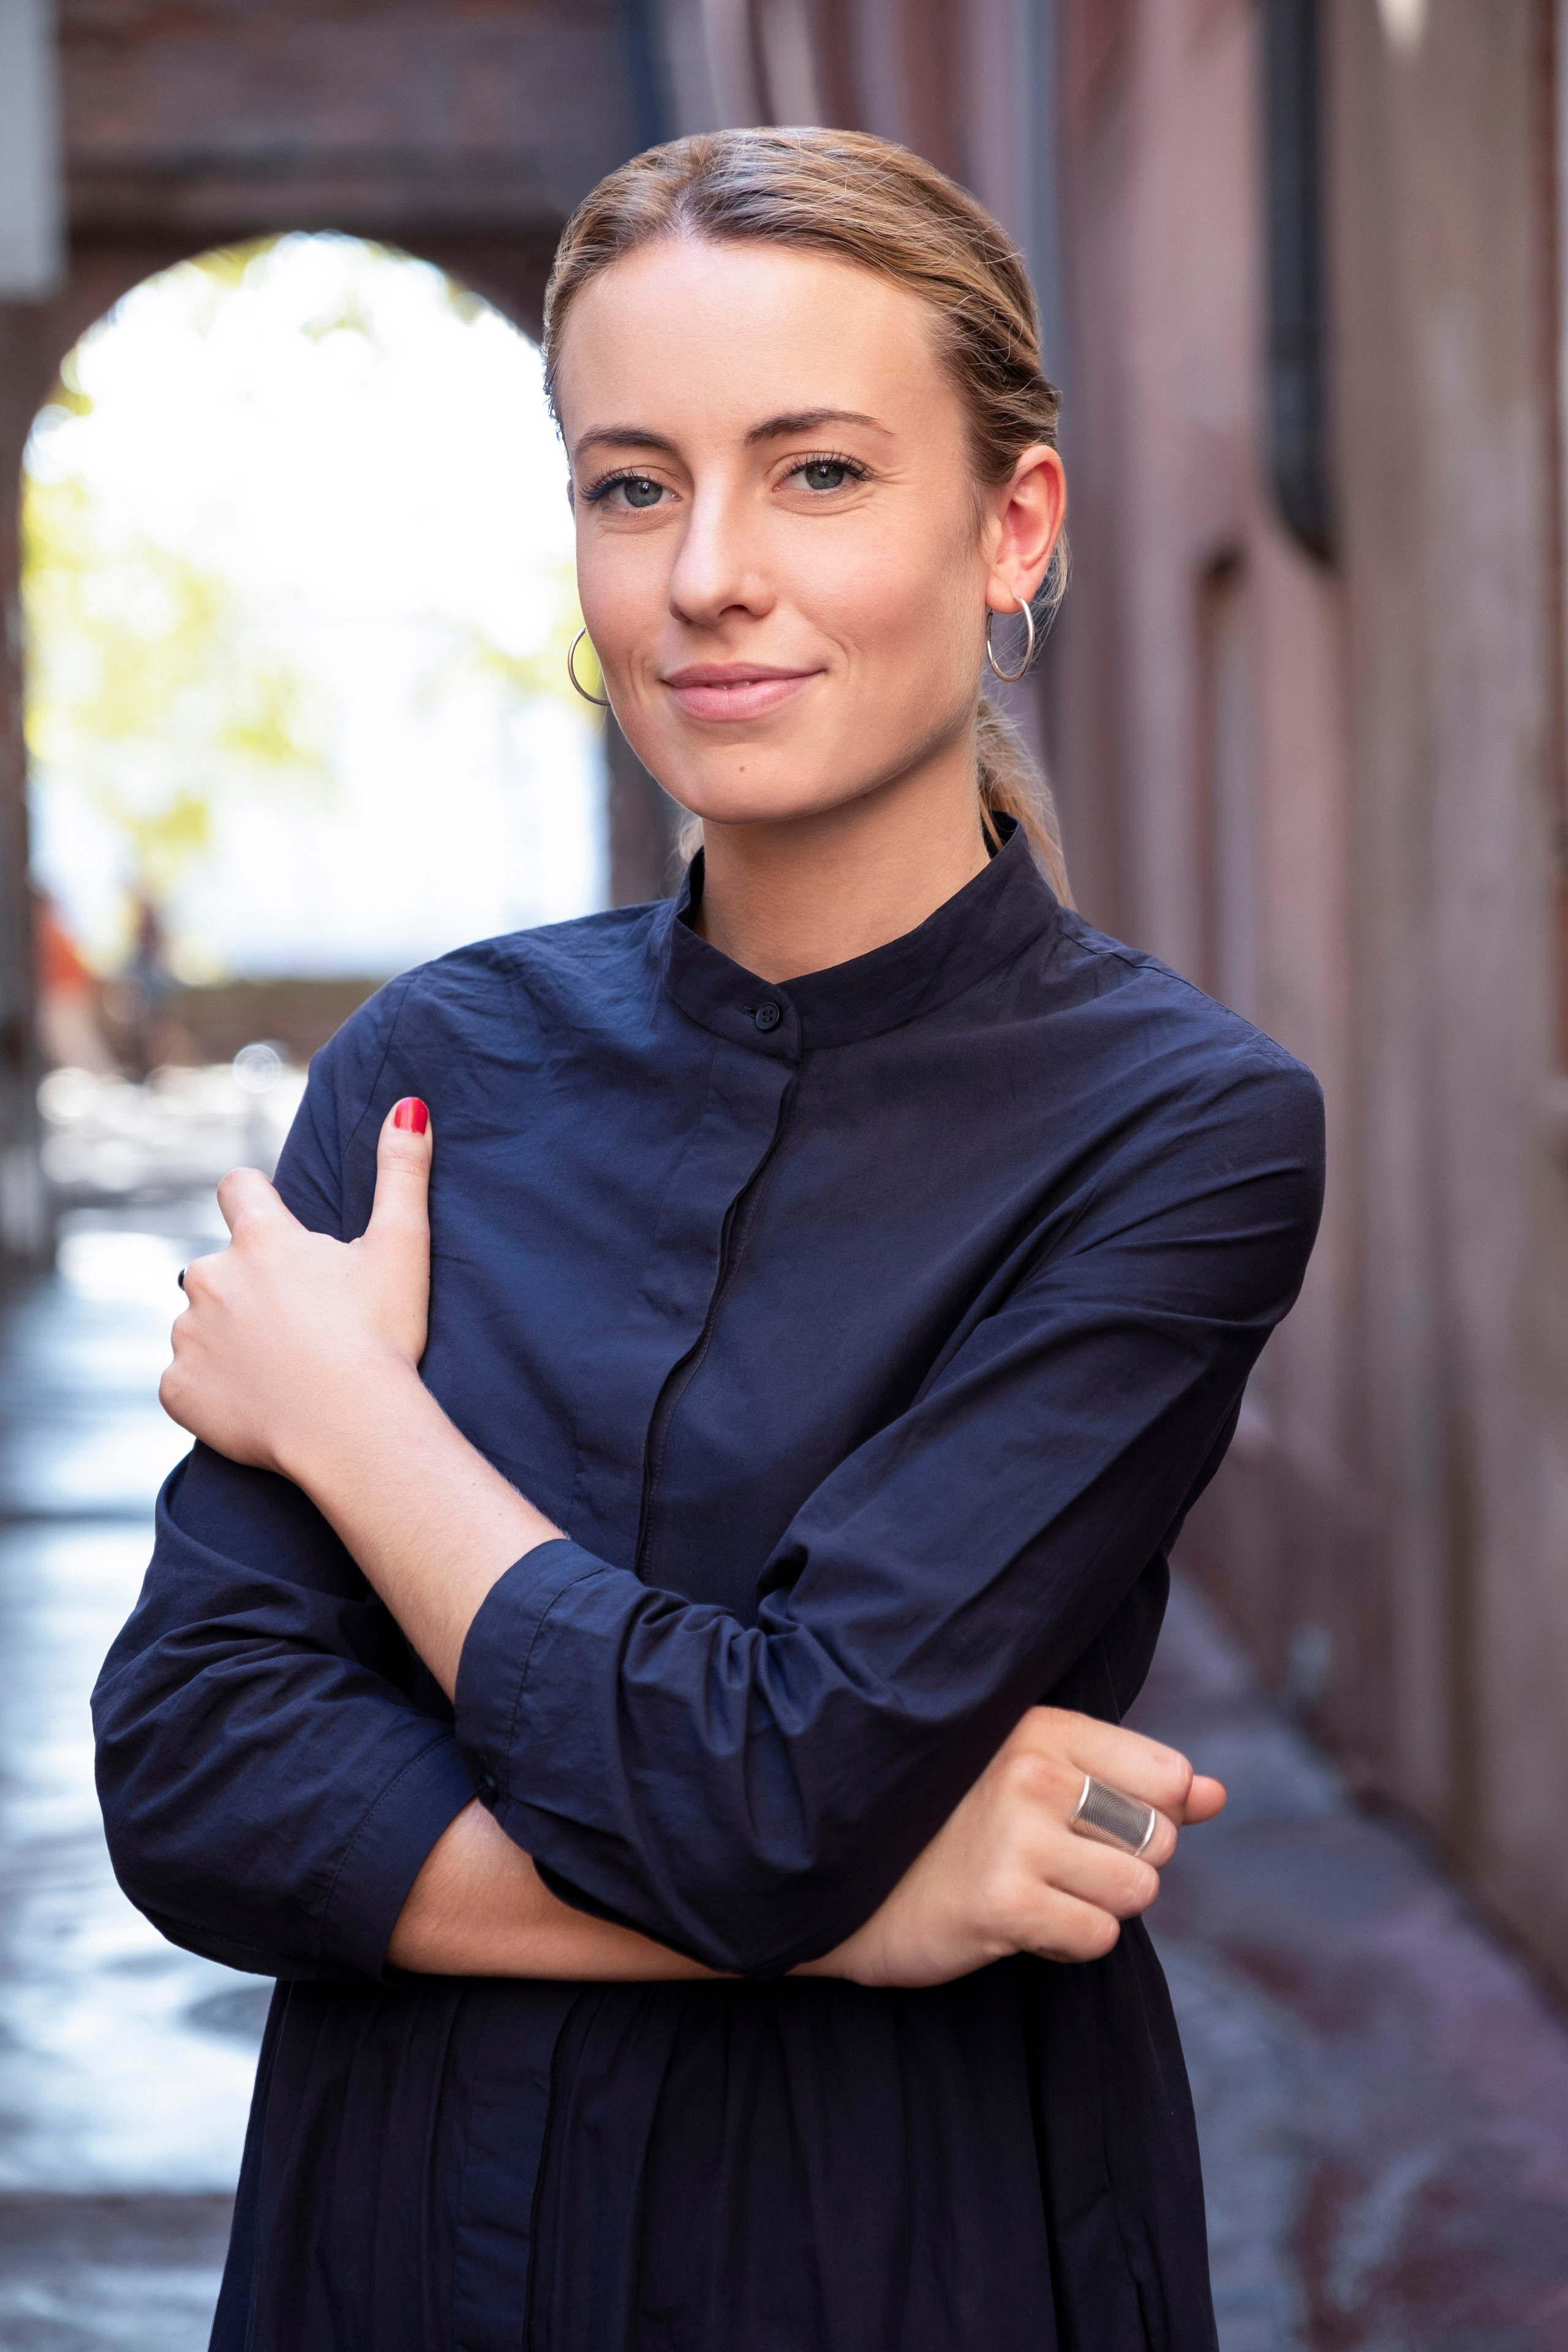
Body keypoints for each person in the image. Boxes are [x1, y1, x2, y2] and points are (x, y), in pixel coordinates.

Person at [93, 129, 1324, 2351]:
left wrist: (352, 1421)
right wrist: (847, 1915)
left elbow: (772, 1790)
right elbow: (199, 1772)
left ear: (1012, 528)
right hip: (394, 2250)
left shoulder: (1179, 1133)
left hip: (885, 2253)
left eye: (818, 473)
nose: (707, 577)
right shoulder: (434, 1068)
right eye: (633, 486)